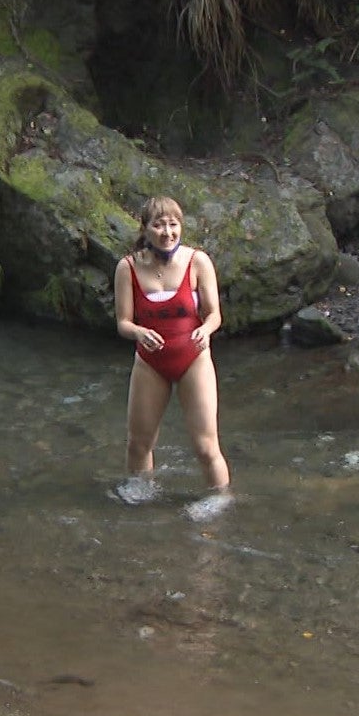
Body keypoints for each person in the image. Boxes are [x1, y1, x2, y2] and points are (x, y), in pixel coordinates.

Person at [114, 196, 231, 502]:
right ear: (145, 229)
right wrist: (139, 332)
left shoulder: (198, 262)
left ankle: (220, 502)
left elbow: (214, 314)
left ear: (181, 227)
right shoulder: (127, 267)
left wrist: (206, 330)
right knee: (138, 445)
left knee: (206, 447)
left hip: (194, 358)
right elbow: (123, 322)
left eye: (173, 224)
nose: (167, 231)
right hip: (150, 363)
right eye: (159, 224)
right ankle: (140, 498)